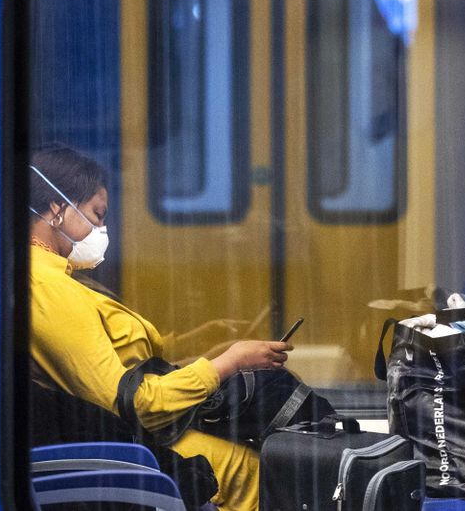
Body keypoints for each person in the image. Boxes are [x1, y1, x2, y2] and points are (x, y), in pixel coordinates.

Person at [28, 146, 289, 511]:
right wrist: (228, 362)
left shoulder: (59, 278)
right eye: (96, 215)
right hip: (135, 444)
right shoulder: (47, 287)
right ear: (57, 209)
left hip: (141, 435)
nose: (102, 230)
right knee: (255, 469)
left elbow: (120, 356)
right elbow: (131, 403)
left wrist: (201, 341)